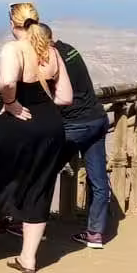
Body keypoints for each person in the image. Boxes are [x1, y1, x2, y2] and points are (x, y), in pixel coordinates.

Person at [0, 2, 72, 273]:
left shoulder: (13, 49)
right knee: (39, 187)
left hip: (10, 127)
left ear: (12, 23)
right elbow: (65, 96)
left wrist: (12, 104)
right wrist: (42, 108)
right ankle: (28, 259)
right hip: (49, 128)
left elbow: (8, 81)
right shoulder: (52, 52)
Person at [37, 23, 112, 248]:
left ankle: (30, 223)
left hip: (75, 125)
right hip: (97, 120)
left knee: (42, 170)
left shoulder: (51, 58)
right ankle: (95, 234)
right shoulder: (69, 49)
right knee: (98, 180)